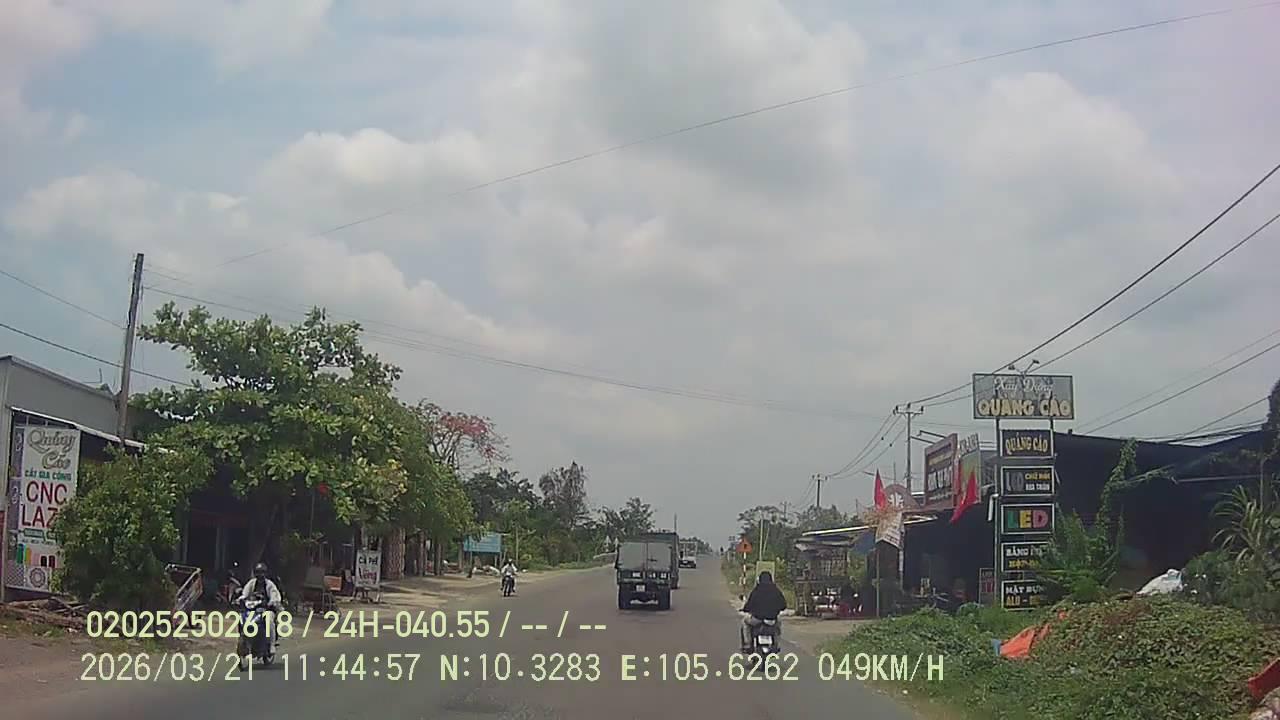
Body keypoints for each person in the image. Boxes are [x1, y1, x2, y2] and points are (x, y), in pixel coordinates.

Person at [740, 571, 787, 651]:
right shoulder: (776, 590)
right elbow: (783, 605)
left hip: (757, 619)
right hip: (771, 620)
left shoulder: (756, 590)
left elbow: (749, 604)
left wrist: (745, 609)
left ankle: (747, 644)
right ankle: (776, 644)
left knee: (745, 622)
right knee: (778, 626)